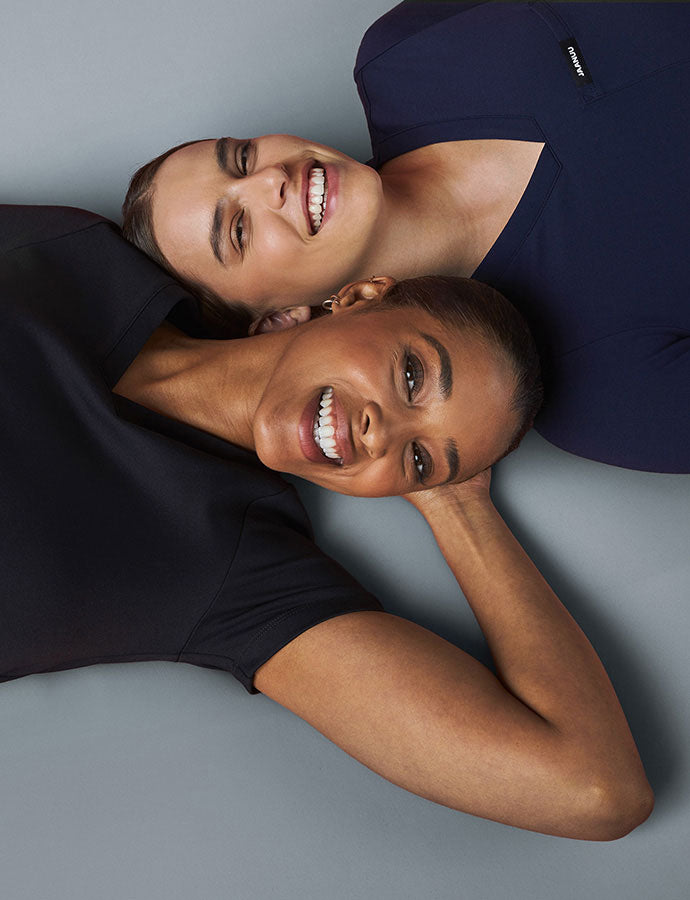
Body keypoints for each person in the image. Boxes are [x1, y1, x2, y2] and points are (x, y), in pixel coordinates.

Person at [1, 203, 652, 840]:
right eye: (411, 375)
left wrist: (458, 503)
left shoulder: (243, 577)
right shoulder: (76, 254)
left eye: (420, 458)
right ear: (360, 296)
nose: (383, 433)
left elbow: (595, 791)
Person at [122, 1, 690, 474]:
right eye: (238, 230)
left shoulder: (403, 53)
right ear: (280, 320)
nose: (269, 178)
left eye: (241, 157)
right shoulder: (598, 395)